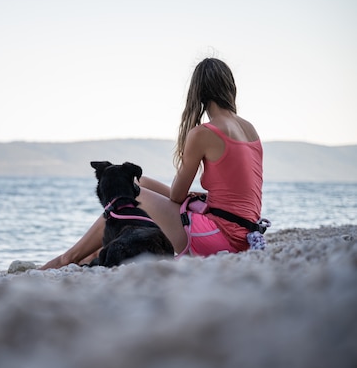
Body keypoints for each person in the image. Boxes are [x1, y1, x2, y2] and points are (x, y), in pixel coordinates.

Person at [40, 58, 263, 269]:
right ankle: (94, 255)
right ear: (229, 87)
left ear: (198, 92)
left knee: (132, 194)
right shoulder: (249, 128)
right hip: (245, 235)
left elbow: (176, 196)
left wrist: (190, 196)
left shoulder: (203, 133)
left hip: (220, 238)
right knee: (142, 182)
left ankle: (68, 257)